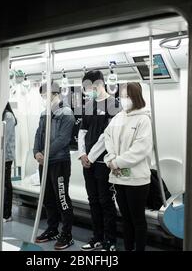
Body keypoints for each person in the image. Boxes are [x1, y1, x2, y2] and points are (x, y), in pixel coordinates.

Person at [103, 82, 152, 251]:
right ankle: (128, 248)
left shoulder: (144, 119)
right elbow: (107, 137)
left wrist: (116, 162)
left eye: (127, 96)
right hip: (118, 177)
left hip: (137, 180)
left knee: (137, 220)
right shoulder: (119, 117)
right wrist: (110, 159)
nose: (124, 100)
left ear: (136, 97)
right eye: (122, 96)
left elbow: (140, 149)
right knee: (125, 218)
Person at [78, 71, 120, 251]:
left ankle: (109, 240)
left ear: (100, 84)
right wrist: (82, 154)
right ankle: (97, 237)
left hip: (103, 162)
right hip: (87, 161)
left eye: (90, 87)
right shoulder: (88, 105)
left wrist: (92, 156)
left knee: (105, 201)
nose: (88, 91)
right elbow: (82, 132)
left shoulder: (113, 104)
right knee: (93, 200)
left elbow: (107, 135)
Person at [33, 81, 76, 250]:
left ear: (55, 93)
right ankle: (52, 229)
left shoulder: (67, 113)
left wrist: (45, 154)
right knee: (48, 198)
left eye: (45, 94)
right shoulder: (44, 113)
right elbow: (38, 134)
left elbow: (63, 139)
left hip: (59, 162)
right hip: (45, 163)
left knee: (62, 198)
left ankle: (67, 234)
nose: (44, 98)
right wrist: (36, 151)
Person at [3, 102, 17, 222]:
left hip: (6, 156)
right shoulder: (2, 115)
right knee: (3, 185)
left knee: (6, 184)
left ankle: (7, 214)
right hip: (1, 156)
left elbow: (4, 138)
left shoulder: (8, 116)